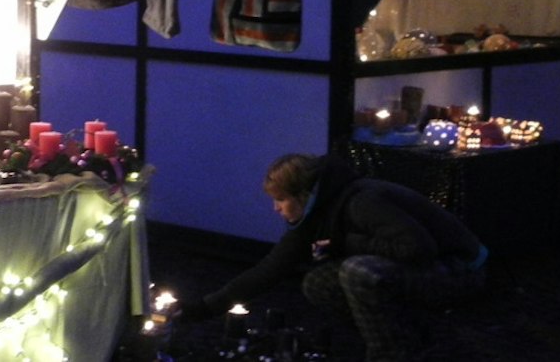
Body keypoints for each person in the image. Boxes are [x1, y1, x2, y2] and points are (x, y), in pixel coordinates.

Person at [195, 152, 486, 362]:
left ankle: (391, 353)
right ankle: (407, 332)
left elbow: (419, 248)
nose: (276, 209)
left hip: (461, 269)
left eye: (281, 200)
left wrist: (347, 243)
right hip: (421, 267)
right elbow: (270, 269)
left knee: (358, 272)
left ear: (304, 194)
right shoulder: (315, 215)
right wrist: (205, 308)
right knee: (318, 282)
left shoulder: (362, 201)